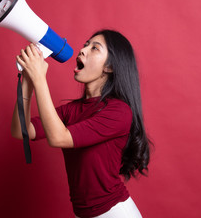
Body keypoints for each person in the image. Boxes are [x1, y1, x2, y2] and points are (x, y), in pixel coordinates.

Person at [11, 29, 152, 218]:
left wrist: (39, 79)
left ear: (109, 66)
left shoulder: (119, 111)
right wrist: (27, 80)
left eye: (95, 48)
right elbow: (21, 130)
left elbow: (58, 138)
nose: (83, 50)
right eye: (86, 45)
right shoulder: (72, 110)